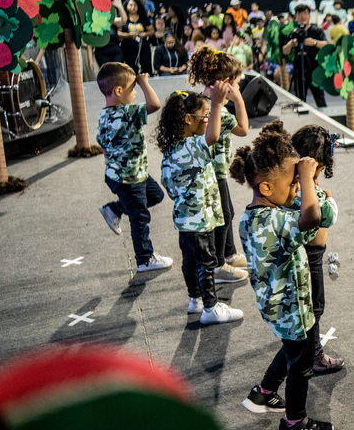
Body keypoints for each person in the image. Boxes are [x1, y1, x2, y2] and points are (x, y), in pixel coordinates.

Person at [232, 122, 331, 430]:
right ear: (266, 188)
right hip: (292, 309)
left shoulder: (252, 217)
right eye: (291, 184)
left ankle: (263, 392)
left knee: (292, 351)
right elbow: (313, 219)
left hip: (276, 308)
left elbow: (299, 214)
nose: (296, 191)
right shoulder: (277, 221)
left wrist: (300, 183)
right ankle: (294, 423)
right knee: (301, 366)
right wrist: (306, 178)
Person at [155, 86, 244, 325]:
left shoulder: (171, 150)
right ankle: (211, 308)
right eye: (204, 116)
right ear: (188, 119)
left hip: (184, 222)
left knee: (189, 262)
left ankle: (195, 300)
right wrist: (216, 104)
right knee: (206, 263)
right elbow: (212, 137)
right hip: (201, 221)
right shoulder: (192, 146)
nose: (208, 120)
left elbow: (169, 187)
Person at [95, 63, 172, 273]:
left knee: (155, 196)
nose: (136, 91)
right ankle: (145, 259)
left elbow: (102, 143)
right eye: (133, 87)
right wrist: (145, 82)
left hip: (126, 174)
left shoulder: (105, 115)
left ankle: (115, 209)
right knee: (140, 217)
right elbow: (155, 104)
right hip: (130, 179)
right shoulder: (127, 113)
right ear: (118, 91)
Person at [187, 48, 251, 284]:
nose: (239, 85)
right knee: (224, 216)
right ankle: (219, 265)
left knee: (225, 213)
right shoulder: (219, 111)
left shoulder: (200, 103)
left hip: (210, 172)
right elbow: (243, 129)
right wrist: (239, 99)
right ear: (226, 84)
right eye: (237, 82)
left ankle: (230, 254)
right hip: (215, 174)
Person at [290, 124, 344, 373]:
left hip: (305, 253)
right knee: (315, 305)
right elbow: (329, 216)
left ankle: (304, 349)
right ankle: (313, 355)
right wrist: (329, 196)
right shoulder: (309, 190)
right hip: (310, 256)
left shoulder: (292, 183)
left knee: (307, 304)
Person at [282, 4, 329, 107]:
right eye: (300, 14)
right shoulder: (294, 32)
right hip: (300, 69)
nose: (303, 16)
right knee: (300, 100)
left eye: (305, 13)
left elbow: (325, 45)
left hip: (315, 68)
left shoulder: (316, 30)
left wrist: (314, 43)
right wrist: (291, 43)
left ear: (309, 15)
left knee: (320, 99)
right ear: (296, 16)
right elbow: (284, 51)